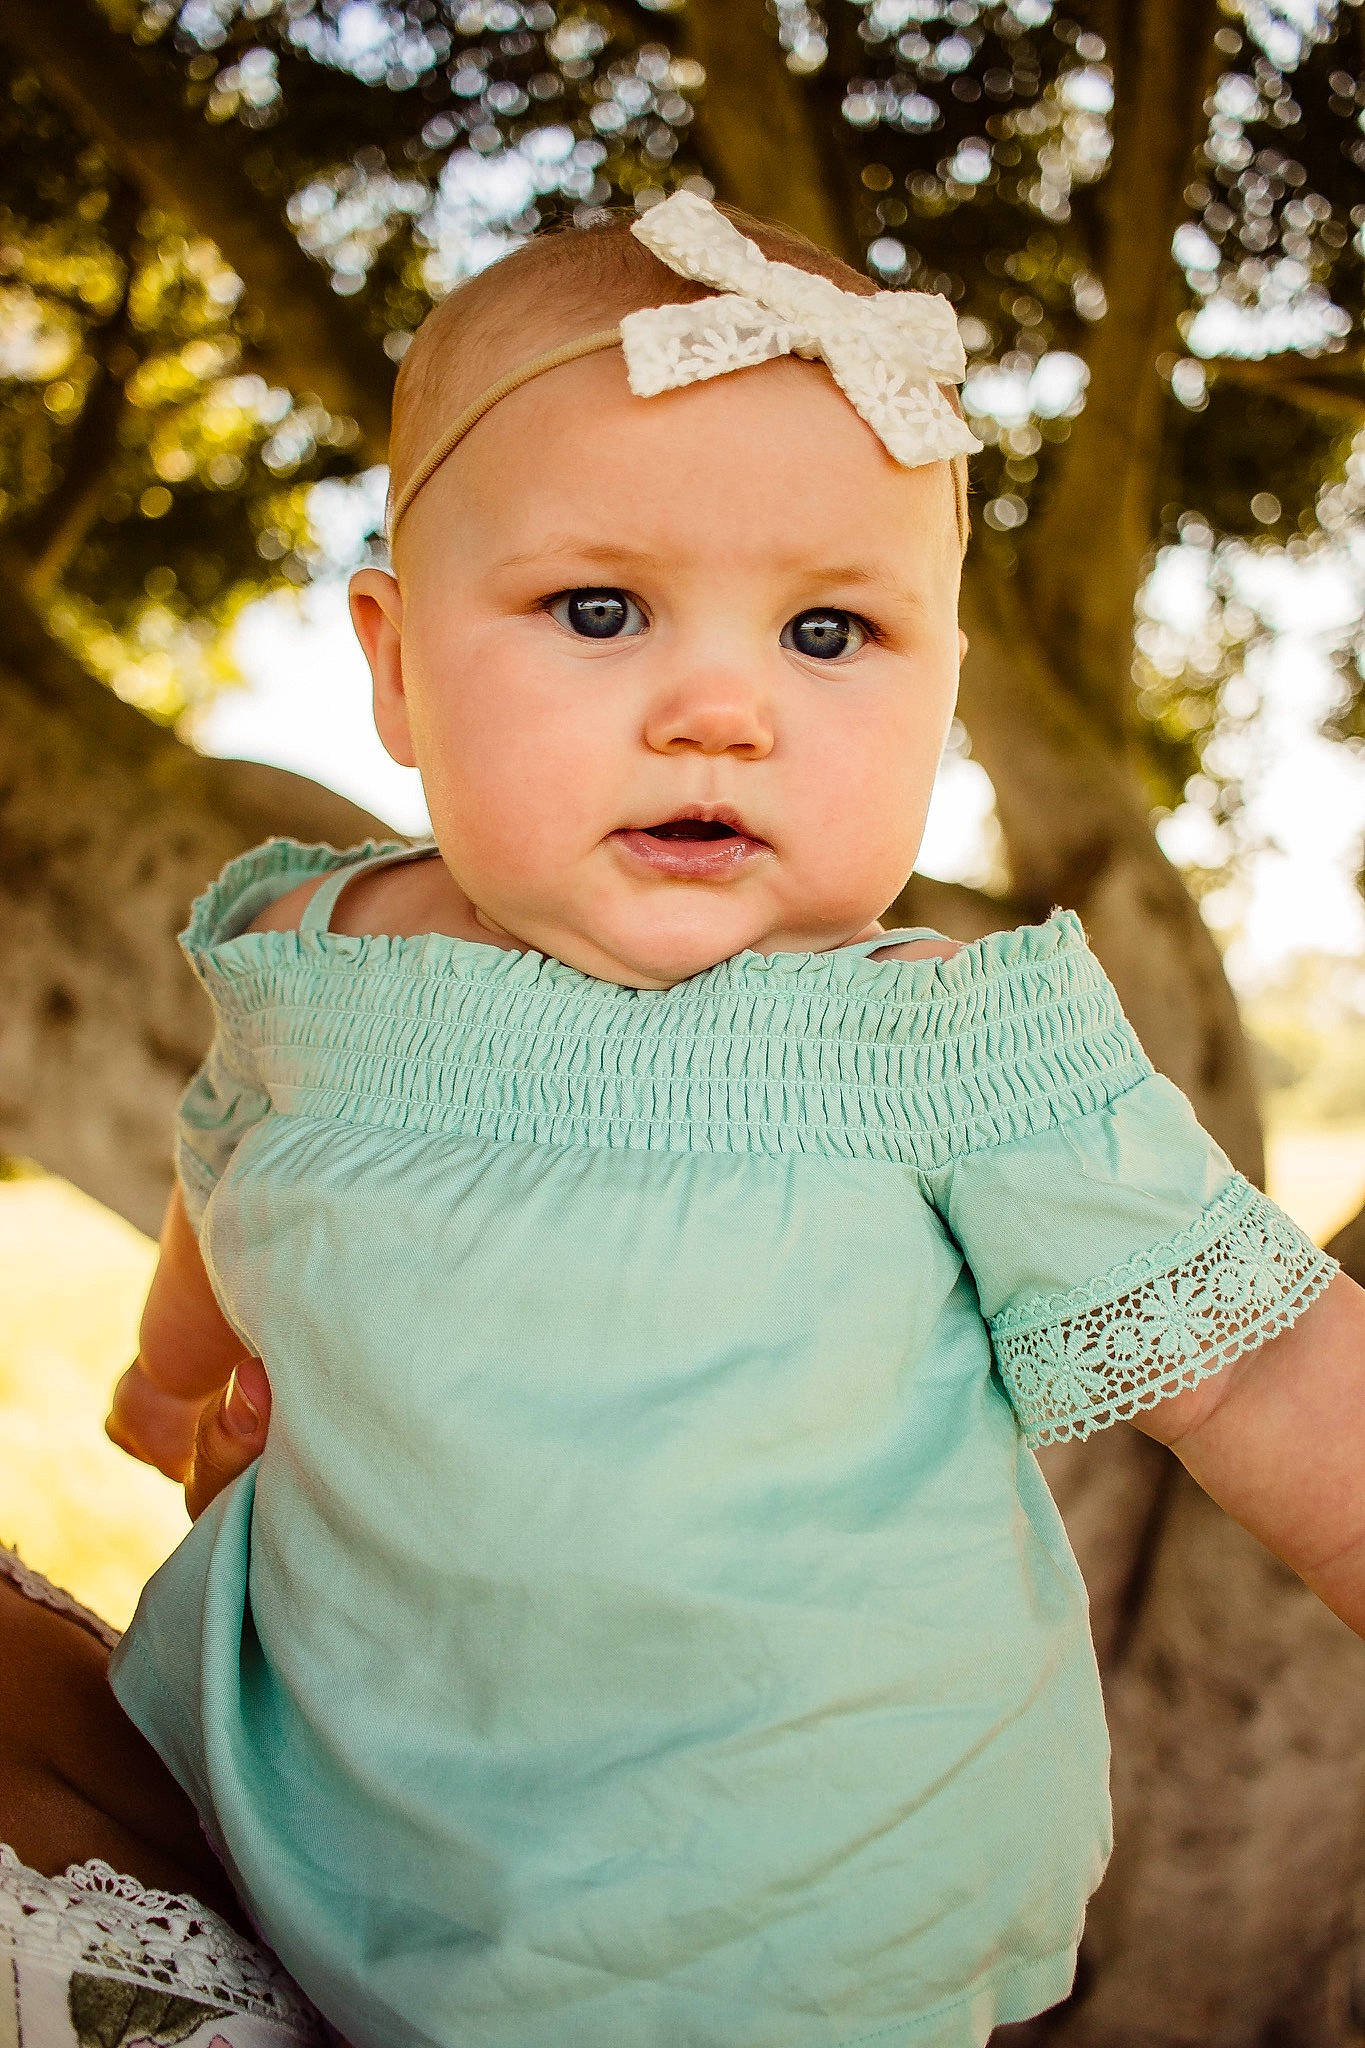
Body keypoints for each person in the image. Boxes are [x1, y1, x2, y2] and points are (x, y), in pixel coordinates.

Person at [96, 191, 1363, 2048]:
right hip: (338, 1831)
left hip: (798, 1923)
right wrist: (172, 1360)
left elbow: (1260, 1372)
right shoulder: (318, 950)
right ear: (390, 660)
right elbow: (227, 1150)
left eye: (830, 631)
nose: (718, 708)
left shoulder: (947, 1044)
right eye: (598, 609)